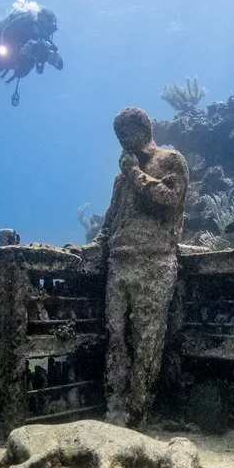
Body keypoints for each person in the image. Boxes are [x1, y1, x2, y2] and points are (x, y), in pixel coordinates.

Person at [85, 107, 189, 428]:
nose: (123, 141)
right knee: (114, 336)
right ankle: (114, 408)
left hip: (155, 262)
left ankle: (138, 414)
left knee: (148, 338)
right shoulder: (121, 178)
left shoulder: (170, 161)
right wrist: (95, 245)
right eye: (119, 136)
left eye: (128, 134)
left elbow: (170, 197)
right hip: (119, 263)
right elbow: (111, 217)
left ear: (145, 130)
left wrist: (134, 173)